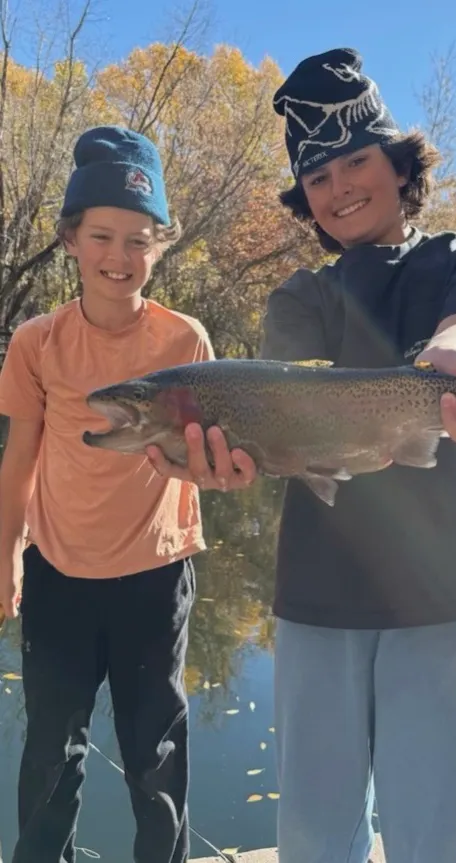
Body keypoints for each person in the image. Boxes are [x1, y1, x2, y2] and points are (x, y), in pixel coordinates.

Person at [147, 47, 456, 863]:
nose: (340, 187)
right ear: (304, 200)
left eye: (357, 161)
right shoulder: (300, 297)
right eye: (317, 179)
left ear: (398, 165)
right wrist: (217, 460)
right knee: (314, 842)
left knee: (436, 843)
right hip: (318, 598)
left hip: (452, 590)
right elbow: (275, 417)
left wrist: (455, 355)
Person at [0, 125, 215, 863]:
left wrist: (197, 468)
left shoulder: (187, 341)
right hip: (59, 573)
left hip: (156, 577)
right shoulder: (37, 342)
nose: (119, 258)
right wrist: (8, 554)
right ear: (69, 239)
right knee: (51, 754)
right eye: (101, 236)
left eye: (138, 239)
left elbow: (203, 461)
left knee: (155, 752)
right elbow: (20, 453)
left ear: (159, 245)